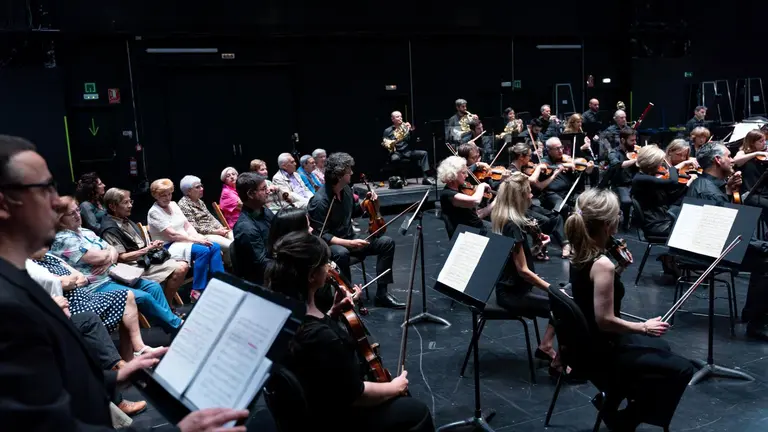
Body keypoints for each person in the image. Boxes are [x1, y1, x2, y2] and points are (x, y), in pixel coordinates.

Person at [0, 134, 248, 431]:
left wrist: (116, 377)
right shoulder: (9, 308)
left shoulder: (18, 279)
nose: (56, 202)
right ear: (4, 204)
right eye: (44, 188)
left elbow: (56, 381)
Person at [267, 232, 434, 432]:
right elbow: (356, 395)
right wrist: (395, 387)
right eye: (325, 263)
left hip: (307, 406)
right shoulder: (321, 337)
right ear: (312, 276)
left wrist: (332, 313)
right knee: (417, 411)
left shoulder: (280, 314)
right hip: (333, 417)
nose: (329, 267)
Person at [565, 188, 695, 430]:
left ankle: (613, 399)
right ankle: (626, 419)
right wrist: (644, 327)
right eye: (617, 215)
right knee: (683, 369)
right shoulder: (602, 264)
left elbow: (590, 291)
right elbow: (605, 320)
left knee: (662, 348)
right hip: (602, 348)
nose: (620, 218)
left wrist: (618, 270)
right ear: (608, 225)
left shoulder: (579, 249)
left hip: (585, 341)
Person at [52, 196, 182, 333]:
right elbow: (98, 258)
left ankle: (172, 325)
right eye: (72, 213)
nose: (78, 215)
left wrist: (107, 258)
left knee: (153, 287)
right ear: (59, 218)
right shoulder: (62, 239)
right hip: (97, 285)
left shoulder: (86, 232)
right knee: (144, 297)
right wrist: (108, 256)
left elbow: (112, 249)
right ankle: (177, 326)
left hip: (115, 275)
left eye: (78, 210)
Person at [686, 142, 768, 340]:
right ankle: (757, 325)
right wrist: (762, 245)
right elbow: (729, 232)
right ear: (717, 160)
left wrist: (729, 191)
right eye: (729, 156)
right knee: (765, 262)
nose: (732, 160)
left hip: (712, 240)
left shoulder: (705, 184)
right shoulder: (709, 192)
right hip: (708, 249)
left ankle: (752, 313)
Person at [307, 152, 404, 309]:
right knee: (341, 253)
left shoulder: (346, 190)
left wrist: (370, 203)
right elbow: (320, 235)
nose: (352, 173)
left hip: (350, 238)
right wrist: (349, 243)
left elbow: (355, 211)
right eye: (349, 171)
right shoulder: (320, 201)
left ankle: (382, 294)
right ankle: (346, 297)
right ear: (339, 175)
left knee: (386, 243)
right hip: (332, 246)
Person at [491, 173, 558, 365]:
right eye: (528, 192)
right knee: (565, 306)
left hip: (512, 287)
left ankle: (546, 346)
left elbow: (518, 261)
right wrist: (550, 289)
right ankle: (554, 355)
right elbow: (523, 271)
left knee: (565, 299)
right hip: (513, 293)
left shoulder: (505, 219)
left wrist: (536, 248)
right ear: (519, 197)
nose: (531, 195)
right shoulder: (512, 225)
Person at [101, 187, 190, 305]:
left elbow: (138, 245)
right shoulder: (110, 229)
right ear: (112, 206)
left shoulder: (125, 220)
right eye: (125, 202)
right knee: (181, 267)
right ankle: (168, 307)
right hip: (131, 267)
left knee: (183, 264)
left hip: (143, 260)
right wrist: (147, 249)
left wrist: (151, 245)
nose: (130, 205)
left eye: (130, 201)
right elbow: (122, 258)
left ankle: (167, 306)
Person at [148, 179, 225, 302]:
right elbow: (172, 235)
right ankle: (197, 290)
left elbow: (187, 225)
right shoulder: (154, 212)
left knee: (214, 246)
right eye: (163, 195)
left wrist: (199, 237)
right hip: (168, 246)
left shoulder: (174, 205)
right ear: (155, 195)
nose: (167, 198)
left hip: (183, 240)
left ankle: (220, 283)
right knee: (203, 251)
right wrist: (196, 240)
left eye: (169, 194)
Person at [507, 143, 570, 258]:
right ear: (521, 157)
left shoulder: (523, 169)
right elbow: (531, 180)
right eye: (529, 156)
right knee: (545, 221)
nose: (530, 159)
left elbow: (539, 185)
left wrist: (554, 174)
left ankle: (565, 245)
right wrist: (539, 168)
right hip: (518, 209)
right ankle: (538, 246)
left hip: (528, 206)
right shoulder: (512, 171)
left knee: (556, 218)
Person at [177, 175, 233, 265]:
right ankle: (230, 266)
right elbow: (194, 227)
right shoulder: (183, 204)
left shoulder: (199, 201)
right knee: (231, 245)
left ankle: (233, 265)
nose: (202, 189)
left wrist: (221, 228)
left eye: (201, 186)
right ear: (188, 191)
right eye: (197, 187)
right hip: (203, 235)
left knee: (237, 239)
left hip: (215, 231)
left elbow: (211, 217)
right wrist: (215, 231)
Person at [232, 172, 274, 285]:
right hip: (263, 281)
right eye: (263, 189)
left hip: (274, 265)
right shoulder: (245, 228)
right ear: (251, 194)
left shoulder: (264, 211)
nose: (268, 191)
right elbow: (262, 264)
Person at [436, 155, 493, 232]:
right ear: (453, 174)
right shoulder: (447, 194)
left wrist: (497, 201)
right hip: (469, 233)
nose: (467, 175)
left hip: (477, 228)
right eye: (463, 173)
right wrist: (481, 186)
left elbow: (475, 216)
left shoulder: (461, 189)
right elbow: (475, 201)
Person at [602, 128, 639, 230]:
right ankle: (625, 222)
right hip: (620, 185)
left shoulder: (636, 152)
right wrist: (636, 160)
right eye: (632, 140)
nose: (635, 143)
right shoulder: (613, 153)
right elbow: (617, 164)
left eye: (635, 140)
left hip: (635, 184)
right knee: (626, 202)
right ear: (623, 140)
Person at [383, 111, 433, 185]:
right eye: (397, 117)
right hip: (396, 152)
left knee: (424, 153)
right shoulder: (387, 131)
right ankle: (401, 178)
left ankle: (425, 178)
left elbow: (413, 141)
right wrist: (393, 143)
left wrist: (411, 131)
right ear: (392, 119)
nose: (400, 118)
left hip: (407, 151)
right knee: (395, 159)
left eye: (401, 116)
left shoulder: (405, 128)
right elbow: (385, 143)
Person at [732, 130, 768, 215]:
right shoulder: (742, 153)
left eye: (765, 140)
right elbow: (735, 161)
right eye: (761, 141)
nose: (764, 143)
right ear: (752, 143)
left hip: (765, 192)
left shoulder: (765, 153)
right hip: (750, 194)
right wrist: (756, 153)